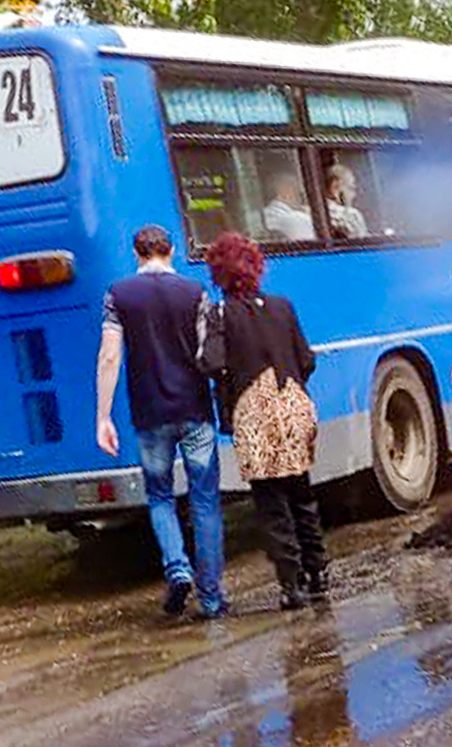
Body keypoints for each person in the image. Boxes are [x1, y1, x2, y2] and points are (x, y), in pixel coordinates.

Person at [95, 225, 227, 619]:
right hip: (195, 410)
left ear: (137, 253)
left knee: (160, 497)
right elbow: (211, 353)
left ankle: (177, 567)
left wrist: (103, 416)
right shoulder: (194, 291)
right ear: (170, 250)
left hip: (150, 414)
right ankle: (211, 598)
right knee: (205, 500)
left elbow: (109, 356)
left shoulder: (119, 295)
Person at [199, 232, 329, 611]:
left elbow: (212, 362)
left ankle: (292, 586)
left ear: (219, 273)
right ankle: (318, 573)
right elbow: (307, 359)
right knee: (302, 494)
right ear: (256, 267)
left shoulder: (220, 313)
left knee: (272, 504)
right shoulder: (283, 307)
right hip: (292, 403)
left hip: (254, 412)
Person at [262, 172, 316, 241]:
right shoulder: (296, 218)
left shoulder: (264, 214)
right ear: (285, 191)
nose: (298, 195)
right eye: (296, 190)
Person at [324, 164, 370, 239]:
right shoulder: (351, 216)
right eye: (351, 188)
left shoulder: (309, 215)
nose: (354, 195)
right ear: (335, 187)